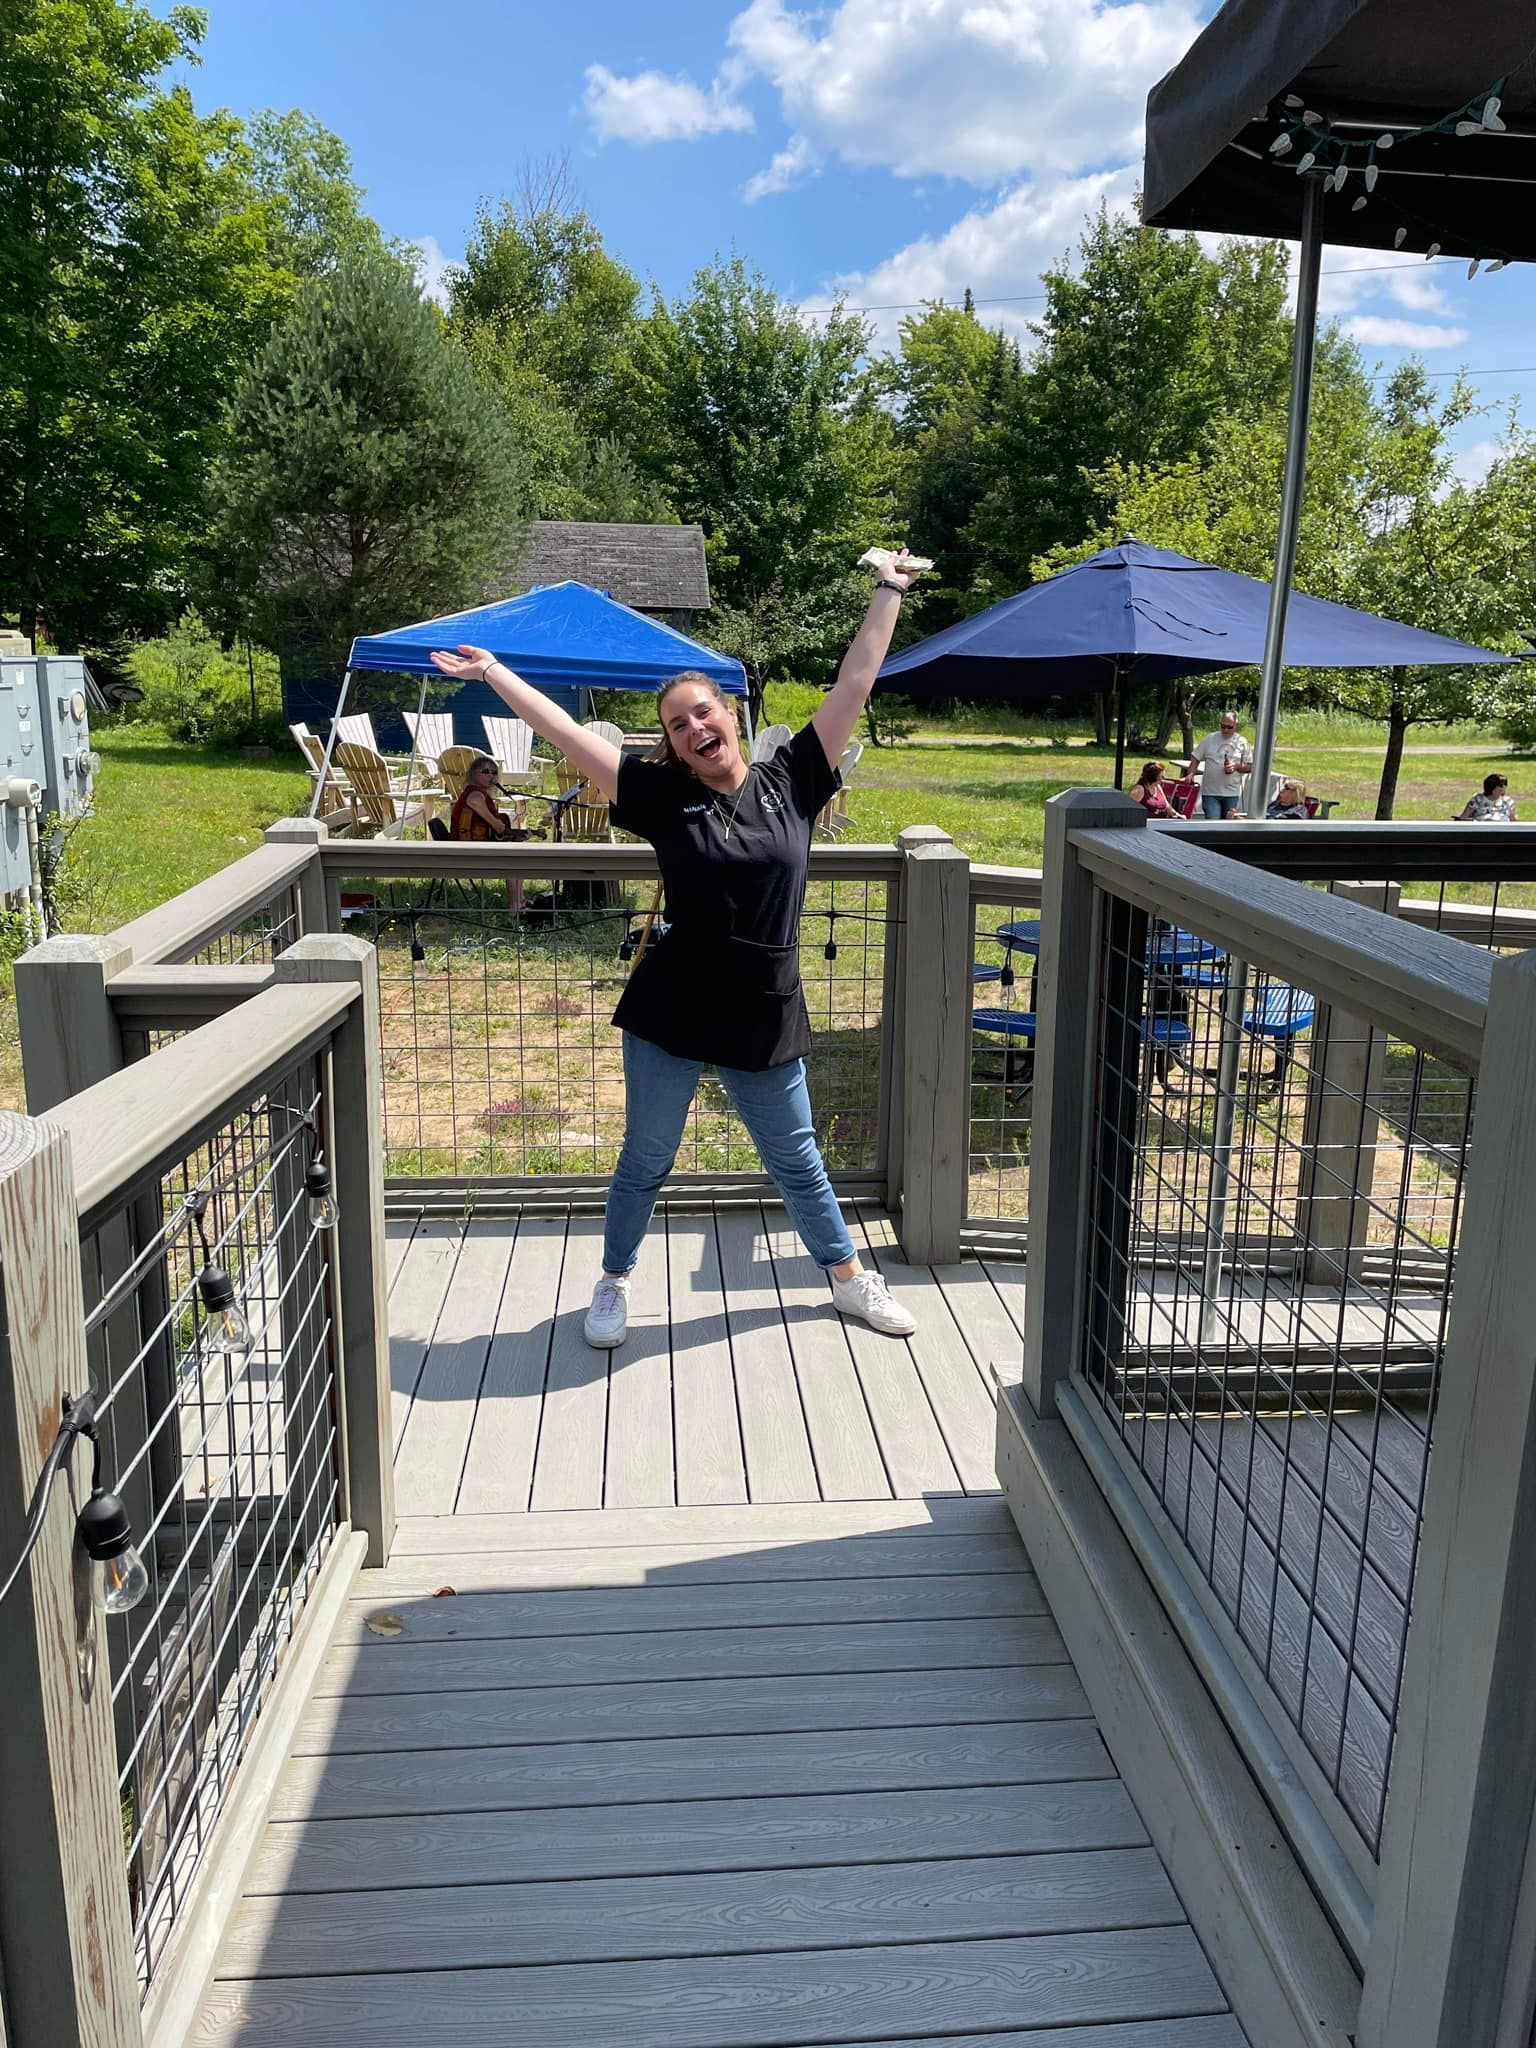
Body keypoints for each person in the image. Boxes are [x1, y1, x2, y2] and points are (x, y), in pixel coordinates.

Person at [429, 553, 925, 1350]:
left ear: (730, 715)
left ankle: (846, 1278)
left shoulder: (795, 777)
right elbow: (561, 732)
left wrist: (888, 591)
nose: (695, 729)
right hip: (676, 1002)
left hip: (764, 1005)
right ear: (672, 743)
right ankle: (614, 1280)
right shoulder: (665, 798)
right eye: (677, 724)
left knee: (796, 1156)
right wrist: (494, 672)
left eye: (703, 713)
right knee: (647, 1155)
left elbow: (856, 682)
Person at [449, 752, 524, 911]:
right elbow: (474, 802)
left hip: (471, 845)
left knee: (516, 847)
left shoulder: (478, 792)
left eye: (494, 772)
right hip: (466, 851)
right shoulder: (475, 792)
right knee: (515, 859)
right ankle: (516, 906)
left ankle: (521, 901)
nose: (490, 775)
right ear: (473, 774)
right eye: (485, 771)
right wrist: (496, 823)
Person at [1188, 712, 1253, 819]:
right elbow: (1195, 757)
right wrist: (1191, 773)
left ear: (1236, 726)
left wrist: (1236, 766)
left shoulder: (1242, 742)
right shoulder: (1210, 738)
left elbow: (1250, 766)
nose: (1226, 730)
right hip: (1210, 792)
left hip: (1232, 793)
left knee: (1228, 824)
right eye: (1223, 726)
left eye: (1229, 727)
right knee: (1213, 823)